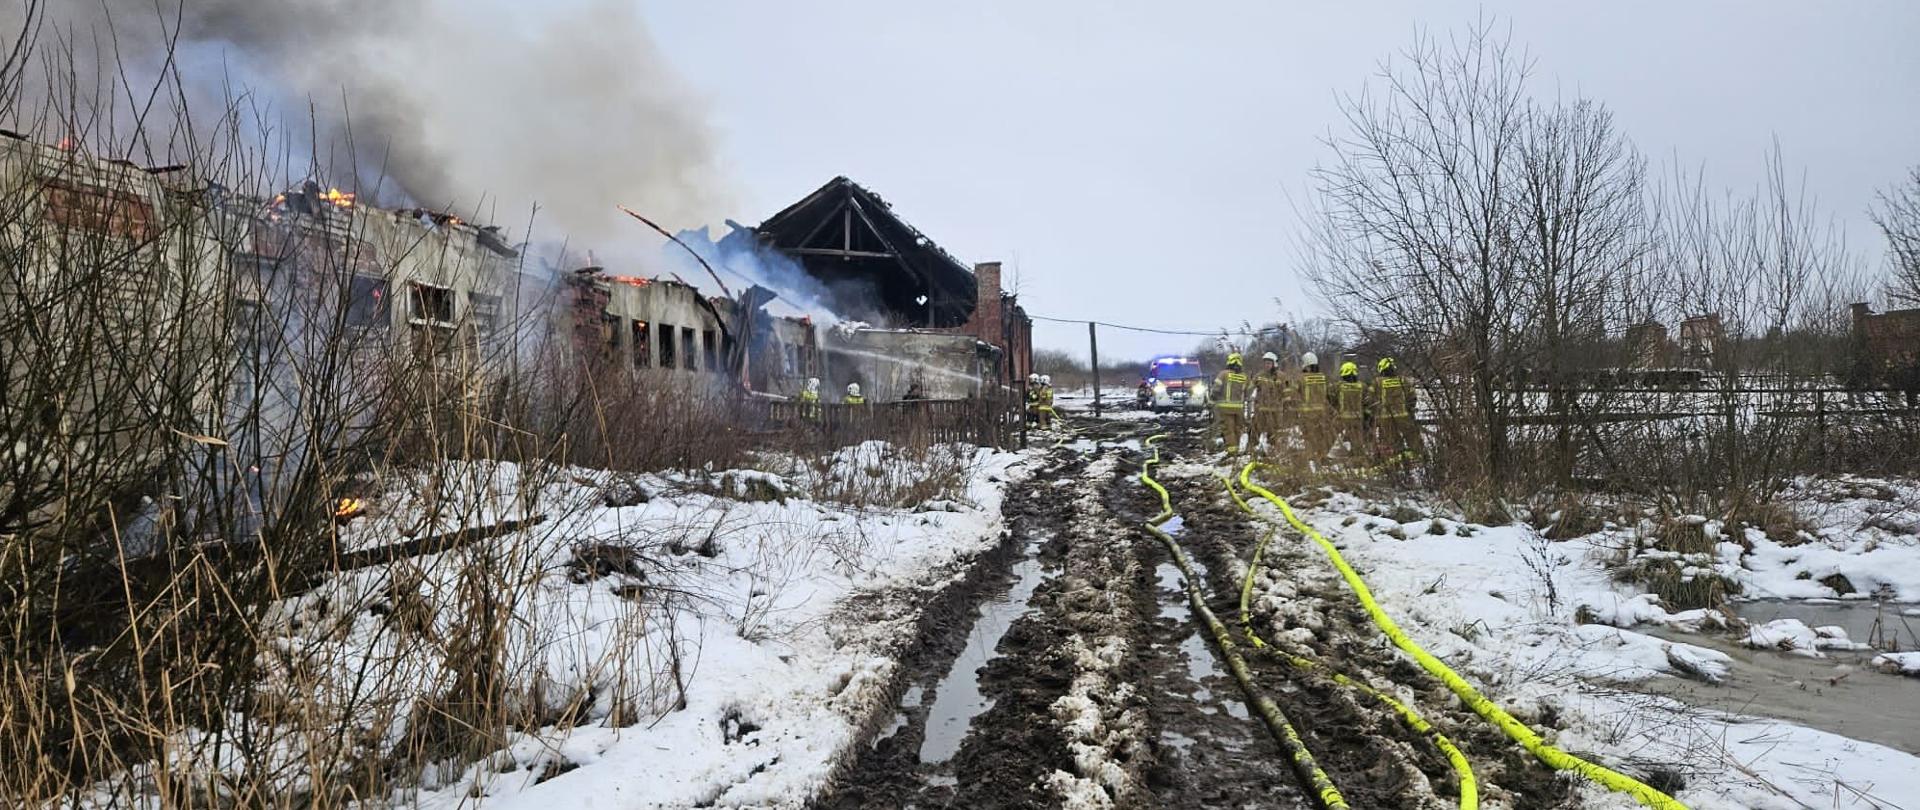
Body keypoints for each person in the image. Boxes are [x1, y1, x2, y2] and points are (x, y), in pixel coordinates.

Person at [1370, 357, 1422, 460]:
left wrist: (1375, 411)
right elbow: (1412, 397)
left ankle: (1396, 459)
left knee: (1391, 442)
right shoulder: (1403, 380)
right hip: (1404, 416)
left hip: (1385, 418)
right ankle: (1419, 457)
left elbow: (1370, 399)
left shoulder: (1377, 382)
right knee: (1413, 438)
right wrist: (1410, 409)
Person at [1251, 351, 1293, 455]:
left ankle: (1272, 450)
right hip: (1261, 409)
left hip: (1275, 410)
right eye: (1265, 363)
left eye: (1269, 363)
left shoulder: (1282, 376)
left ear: (1274, 364)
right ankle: (1251, 448)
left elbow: (1286, 393)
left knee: (1274, 431)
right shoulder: (1259, 375)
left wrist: (1287, 407)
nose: (1267, 365)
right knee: (1255, 429)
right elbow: (1250, 388)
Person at [1213, 352, 1249, 455]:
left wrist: (1211, 400)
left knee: (1228, 431)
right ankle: (1236, 450)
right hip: (1239, 409)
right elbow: (1248, 392)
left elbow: (1215, 389)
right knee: (1237, 430)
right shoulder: (1244, 377)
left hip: (1225, 409)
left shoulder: (1223, 374)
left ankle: (1232, 454)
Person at [1298, 352, 1331, 460]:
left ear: (1306, 365)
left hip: (1307, 414)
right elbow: (1330, 394)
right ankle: (1322, 456)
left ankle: (1310, 456)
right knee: (1321, 435)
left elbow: (1294, 394)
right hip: (1322, 413)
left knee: (1308, 437)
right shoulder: (1323, 377)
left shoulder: (1302, 378)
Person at [1335, 361, 1366, 457]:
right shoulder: (1362, 386)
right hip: (1358, 418)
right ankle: (1358, 454)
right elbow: (1367, 402)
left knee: (1332, 434)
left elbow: (1331, 398)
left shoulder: (1338, 386)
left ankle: (1330, 454)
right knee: (1357, 438)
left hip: (1342, 418)